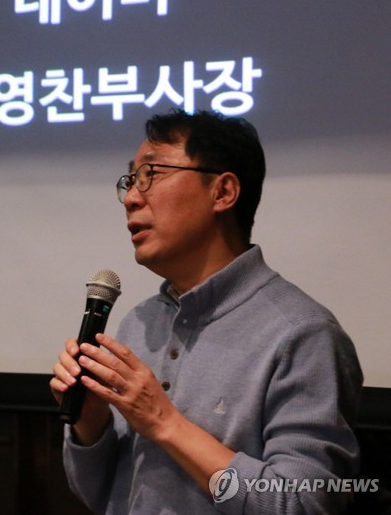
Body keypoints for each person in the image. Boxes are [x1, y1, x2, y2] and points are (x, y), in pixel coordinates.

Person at [50, 109, 363, 515]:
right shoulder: (139, 322)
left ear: (223, 192)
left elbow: (303, 504)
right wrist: (91, 425)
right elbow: (100, 495)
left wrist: (165, 423)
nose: (131, 198)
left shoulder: (302, 334)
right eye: (130, 180)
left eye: (151, 174)